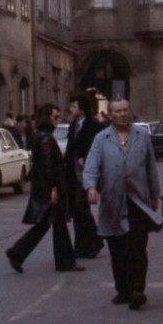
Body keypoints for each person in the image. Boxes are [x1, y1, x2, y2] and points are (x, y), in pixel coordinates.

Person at [83, 98, 161, 310]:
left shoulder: (142, 136)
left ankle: (137, 290)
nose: (122, 114)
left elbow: (150, 168)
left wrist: (155, 194)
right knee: (117, 248)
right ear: (110, 115)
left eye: (126, 110)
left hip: (138, 200)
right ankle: (123, 289)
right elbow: (91, 166)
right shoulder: (101, 139)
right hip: (112, 202)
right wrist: (90, 188)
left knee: (137, 246)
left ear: (130, 112)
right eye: (117, 111)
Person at [5, 103, 84, 275]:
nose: (58, 120)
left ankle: (20, 252)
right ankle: (20, 252)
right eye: (55, 117)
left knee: (52, 224)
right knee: (52, 224)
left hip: (45, 187)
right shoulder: (46, 138)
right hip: (50, 188)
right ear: (47, 117)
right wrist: (54, 188)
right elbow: (49, 166)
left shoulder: (41, 136)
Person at [64, 93, 104, 258]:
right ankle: (88, 244)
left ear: (81, 108)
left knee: (81, 208)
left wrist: (86, 159)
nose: (70, 109)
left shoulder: (93, 125)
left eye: (73, 106)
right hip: (73, 173)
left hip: (87, 173)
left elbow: (98, 147)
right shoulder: (73, 125)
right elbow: (70, 149)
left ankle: (89, 243)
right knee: (78, 210)